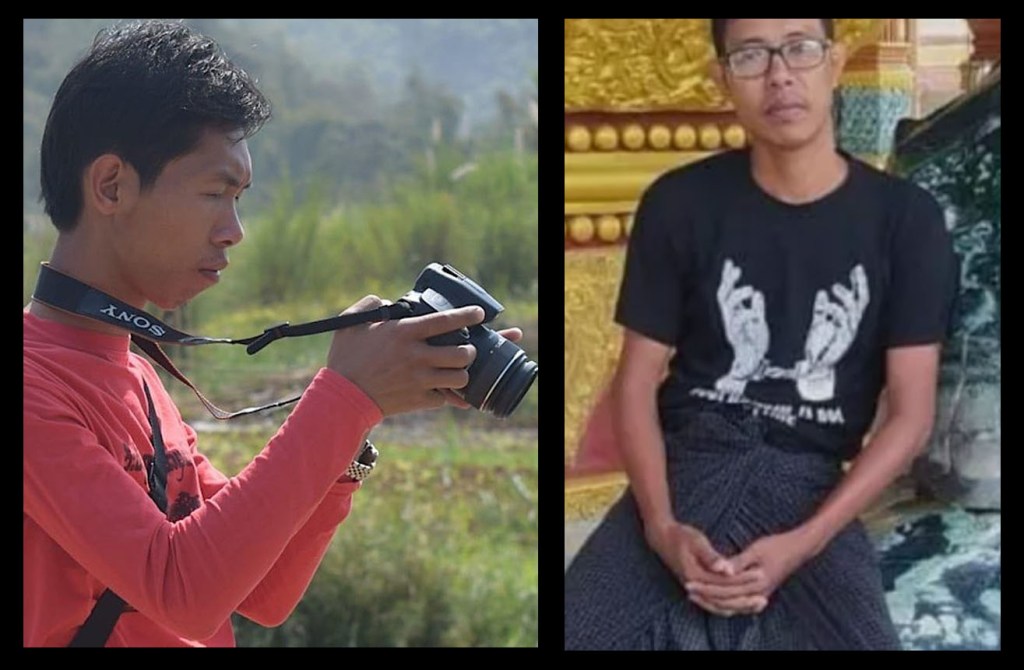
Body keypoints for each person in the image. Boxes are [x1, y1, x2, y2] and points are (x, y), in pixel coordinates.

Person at [24, 19, 522, 647]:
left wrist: (357, 424)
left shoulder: (137, 373)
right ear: (111, 186)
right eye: (215, 193)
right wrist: (344, 397)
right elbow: (184, 591)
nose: (234, 230)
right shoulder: (34, 387)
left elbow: (261, 594)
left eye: (241, 199)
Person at [564, 18, 958, 650]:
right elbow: (635, 384)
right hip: (690, 463)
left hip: (810, 485)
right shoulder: (680, 203)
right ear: (722, 79)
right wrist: (663, 527)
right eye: (750, 56)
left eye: (799, 49)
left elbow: (910, 417)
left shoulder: (904, 221)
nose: (780, 74)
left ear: (833, 62)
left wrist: (804, 544)